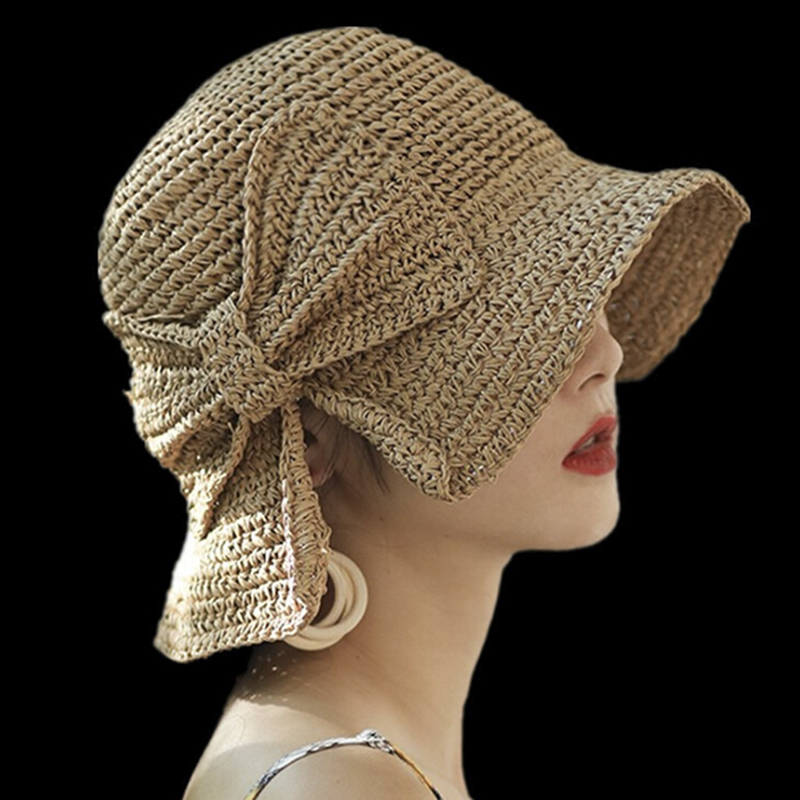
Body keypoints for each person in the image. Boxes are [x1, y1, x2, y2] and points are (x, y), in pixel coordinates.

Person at [98, 27, 749, 800]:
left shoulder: (356, 766)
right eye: (518, 321)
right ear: (308, 441)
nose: (605, 354)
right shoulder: (335, 788)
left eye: (583, 291)